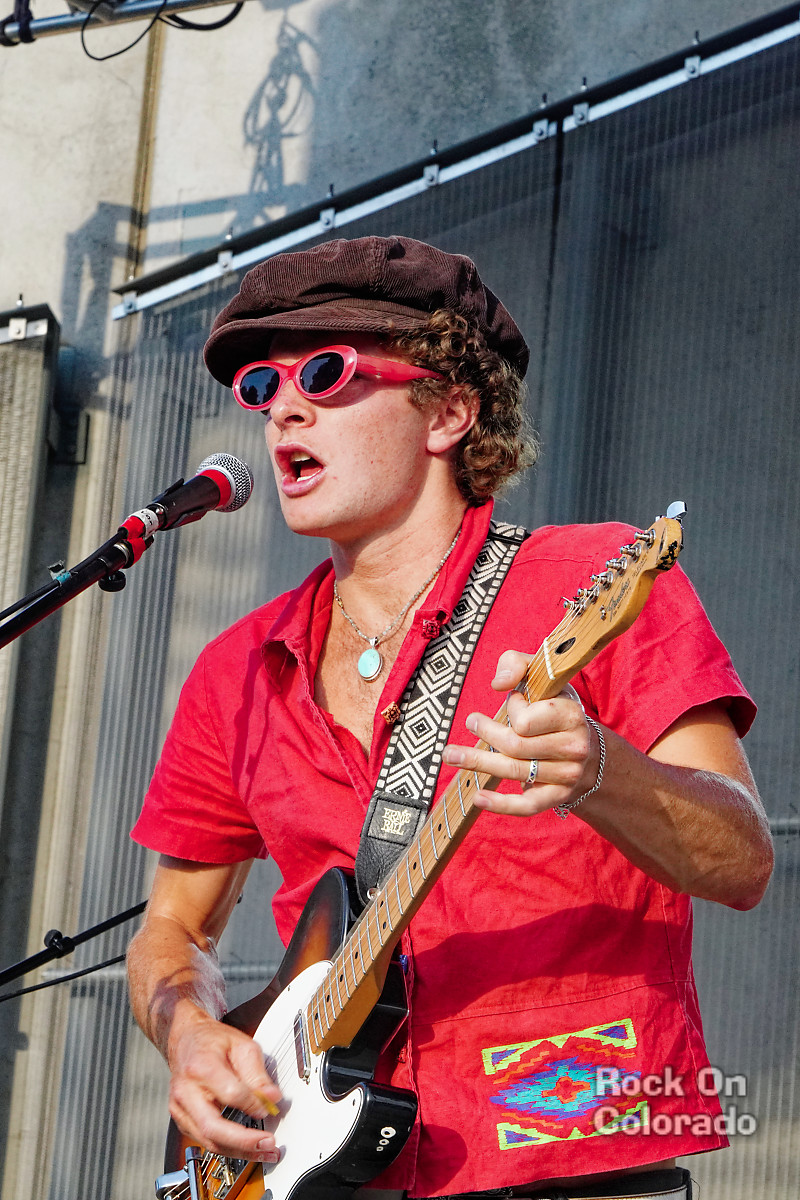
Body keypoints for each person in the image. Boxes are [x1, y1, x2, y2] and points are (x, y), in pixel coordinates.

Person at [127, 235, 773, 1200]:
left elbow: (743, 859)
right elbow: (173, 926)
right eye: (262, 386)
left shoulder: (588, 578)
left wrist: (601, 770)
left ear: (449, 412)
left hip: (565, 1140)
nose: (283, 408)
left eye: (325, 372)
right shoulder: (235, 670)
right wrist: (187, 1030)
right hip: (321, 1170)